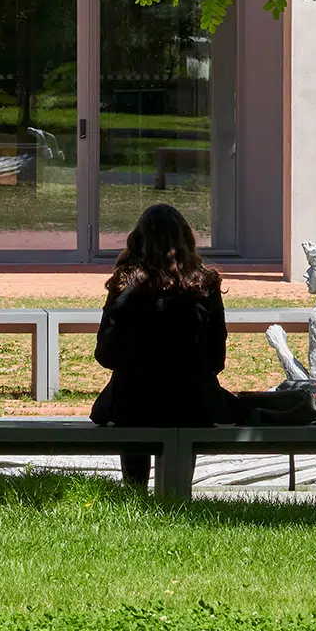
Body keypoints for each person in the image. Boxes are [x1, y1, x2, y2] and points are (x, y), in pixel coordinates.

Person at [89, 203, 239, 490]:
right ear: (186, 239)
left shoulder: (125, 286)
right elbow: (216, 359)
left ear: (139, 240)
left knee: (129, 403)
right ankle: (178, 495)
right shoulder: (204, 286)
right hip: (192, 402)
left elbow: (105, 354)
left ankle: (135, 493)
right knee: (188, 409)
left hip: (134, 403)